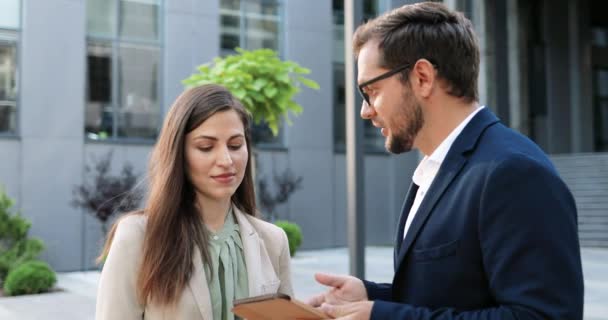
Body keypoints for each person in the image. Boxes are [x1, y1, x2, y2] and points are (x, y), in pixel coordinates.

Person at [308, 2, 584, 319]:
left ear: (422, 77)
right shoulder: (439, 169)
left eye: (372, 90)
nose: (365, 110)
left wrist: (382, 316)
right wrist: (373, 295)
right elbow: (454, 292)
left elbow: (542, 316)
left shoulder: (514, 171)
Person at [95, 84, 293, 320]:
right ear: (179, 153)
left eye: (235, 145)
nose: (226, 160)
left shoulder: (273, 240)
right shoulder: (139, 236)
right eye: (206, 147)